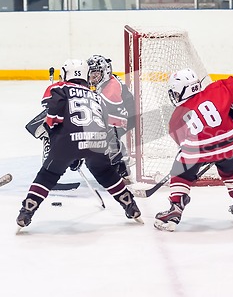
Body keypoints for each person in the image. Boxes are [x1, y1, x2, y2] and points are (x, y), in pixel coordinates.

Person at [16, 59, 142, 229]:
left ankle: (27, 210)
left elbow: (53, 116)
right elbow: (104, 125)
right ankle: (130, 205)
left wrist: (58, 139)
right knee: (105, 173)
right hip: (98, 142)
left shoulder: (59, 88)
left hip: (67, 142)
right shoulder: (96, 95)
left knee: (48, 175)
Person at [154, 68, 233, 231]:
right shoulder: (217, 89)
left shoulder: (177, 116)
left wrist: (200, 157)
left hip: (198, 150)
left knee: (180, 171)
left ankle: (176, 208)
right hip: (231, 143)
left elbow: (181, 141)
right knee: (231, 171)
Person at [86, 55, 135, 180]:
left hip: (125, 118)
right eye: (90, 74)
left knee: (104, 132)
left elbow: (106, 113)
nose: (92, 78)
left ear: (106, 72)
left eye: (95, 74)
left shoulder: (112, 89)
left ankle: (122, 168)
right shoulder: (106, 82)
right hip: (119, 115)